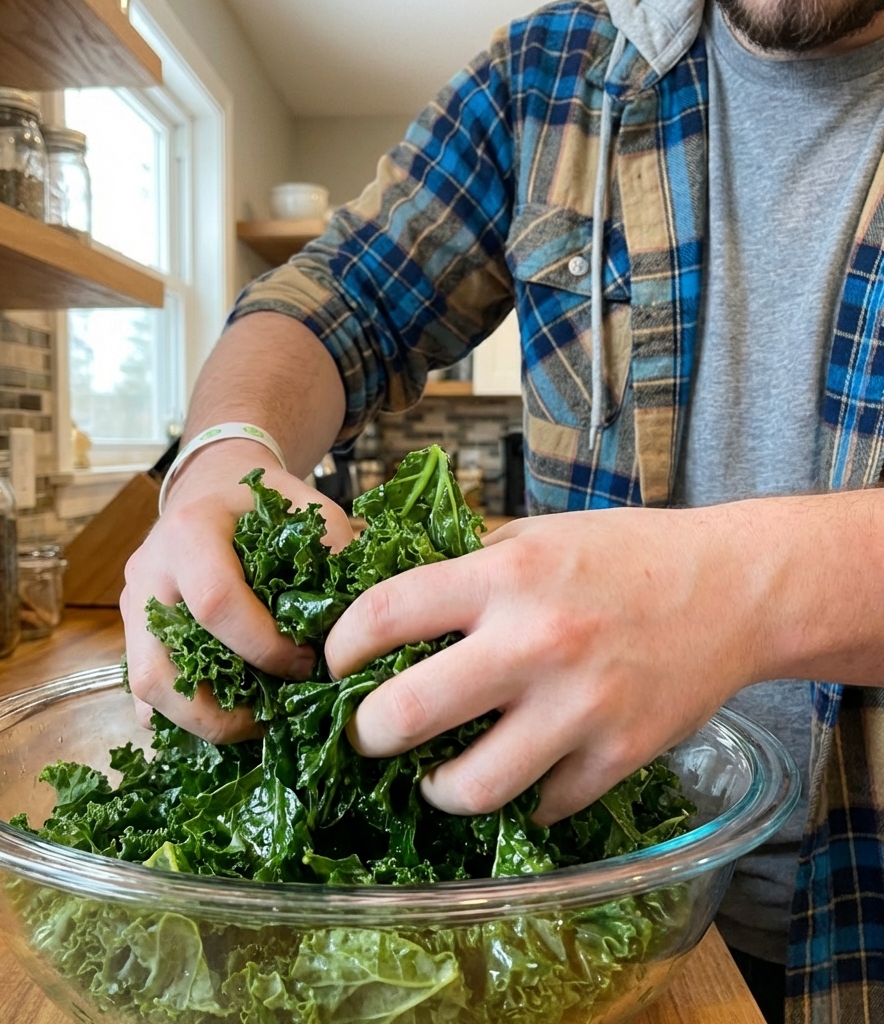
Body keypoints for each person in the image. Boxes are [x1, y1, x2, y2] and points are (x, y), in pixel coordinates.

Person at [122, 1, 884, 1021]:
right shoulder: (550, 74)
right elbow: (338, 297)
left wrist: (733, 587)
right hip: (596, 921)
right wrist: (224, 451)